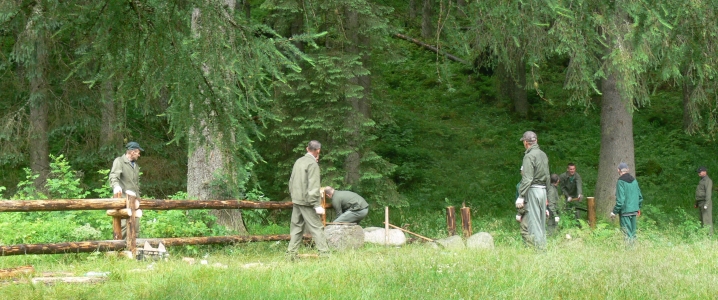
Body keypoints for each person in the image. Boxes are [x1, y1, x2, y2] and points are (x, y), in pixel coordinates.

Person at [287, 140, 329, 260]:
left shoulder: (298, 161)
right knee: (317, 227)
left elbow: (291, 181)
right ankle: (325, 255)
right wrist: (316, 204)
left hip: (297, 200)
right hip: (307, 202)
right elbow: (313, 186)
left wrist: (294, 196)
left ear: (307, 148)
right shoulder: (312, 164)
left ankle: (291, 255)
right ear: (318, 151)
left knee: (296, 228)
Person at [516, 131, 550, 249]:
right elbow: (548, 176)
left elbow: (528, 178)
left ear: (526, 142)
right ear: (536, 141)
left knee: (534, 221)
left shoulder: (529, 156)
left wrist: (521, 196)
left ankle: (539, 250)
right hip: (543, 191)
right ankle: (542, 247)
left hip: (533, 190)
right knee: (541, 222)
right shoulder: (543, 154)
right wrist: (548, 196)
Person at [109, 141, 144, 239]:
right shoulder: (119, 161)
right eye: (138, 152)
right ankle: (119, 251)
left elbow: (136, 184)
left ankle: (134, 251)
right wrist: (116, 186)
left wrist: (139, 199)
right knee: (124, 226)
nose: (139, 154)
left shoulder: (136, 166)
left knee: (135, 226)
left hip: (135, 201)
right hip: (123, 200)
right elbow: (113, 176)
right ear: (132, 152)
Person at [610, 162, 643, 244]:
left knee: (626, 234)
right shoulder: (634, 181)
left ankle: (628, 253)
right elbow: (640, 197)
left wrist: (614, 212)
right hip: (634, 211)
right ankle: (634, 251)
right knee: (633, 234)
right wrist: (638, 208)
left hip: (625, 212)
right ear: (628, 170)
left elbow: (620, 200)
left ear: (618, 170)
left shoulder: (620, 182)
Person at [695, 166, 713, 234]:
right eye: (698, 172)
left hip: (705, 202)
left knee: (707, 219)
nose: (699, 173)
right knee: (702, 219)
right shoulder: (701, 180)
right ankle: (703, 233)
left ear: (705, 172)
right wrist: (696, 203)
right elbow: (699, 192)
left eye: (700, 172)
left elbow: (708, 193)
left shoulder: (708, 181)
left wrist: (706, 204)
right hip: (700, 202)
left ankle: (709, 235)